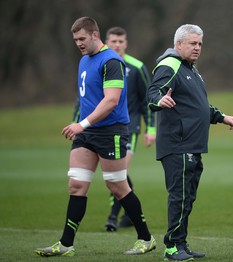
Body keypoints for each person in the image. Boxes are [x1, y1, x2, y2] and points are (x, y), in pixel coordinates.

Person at [34, 17, 156, 257]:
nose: (78, 43)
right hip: (87, 133)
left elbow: (110, 101)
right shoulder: (84, 60)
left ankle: (146, 238)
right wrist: (78, 121)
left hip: (110, 132)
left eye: (82, 38)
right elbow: (85, 98)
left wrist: (83, 123)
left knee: (117, 186)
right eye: (75, 39)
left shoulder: (111, 61)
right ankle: (66, 243)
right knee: (76, 185)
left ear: (95, 35)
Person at [147, 24, 233, 261]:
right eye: (193, 43)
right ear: (178, 44)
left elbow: (198, 106)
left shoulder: (190, 69)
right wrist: (160, 100)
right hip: (177, 145)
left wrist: (222, 117)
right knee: (179, 197)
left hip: (192, 145)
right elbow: (152, 93)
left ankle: (181, 244)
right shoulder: (169, 65)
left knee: (187, 199)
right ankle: (172, 248)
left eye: (200, 43)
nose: (198, 48)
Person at [103, 26, 156, 231]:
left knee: (119, 172)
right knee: (115, 174)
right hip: (103, 128)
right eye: (113, 41)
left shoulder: (136, 66)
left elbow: (147, 100)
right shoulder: (100, 64)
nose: (117, 45)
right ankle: (129, 214)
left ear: (126, 43)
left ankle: (112, 218)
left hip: (129, 128)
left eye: (120, 41)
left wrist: (150, 128)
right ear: (107, 42)